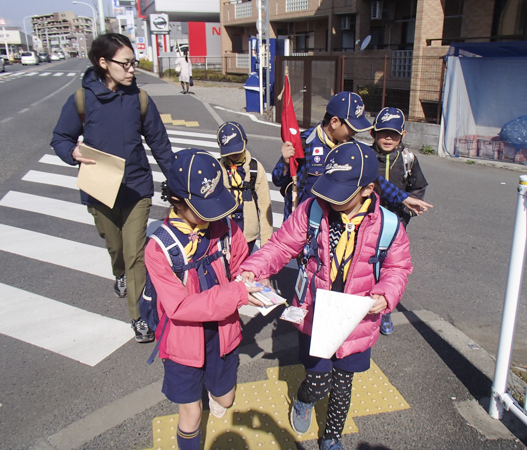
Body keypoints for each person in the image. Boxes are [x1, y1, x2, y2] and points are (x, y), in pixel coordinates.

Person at [240, 141, 412, 450]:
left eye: (340, 195)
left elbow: (398, 267)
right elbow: (281, 245)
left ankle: (332, 436)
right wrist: (255, 267)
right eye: (327, 189)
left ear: (367, 189)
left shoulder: (388, 225)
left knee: (344, 386)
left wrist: (386, 295)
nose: (330, 199)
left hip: (357, 320)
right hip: (316, 314)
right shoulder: (313, 209)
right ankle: (304, 400)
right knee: (318, 380)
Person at [51, 33, 172, 343]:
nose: (132, 69)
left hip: (136, 189)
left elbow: (159, 143)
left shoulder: (140, 99)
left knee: (135, 254)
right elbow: (61, 138)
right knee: (115, 247)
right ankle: (118, 273)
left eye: (134, 63)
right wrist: (73, 152)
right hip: (100, 188)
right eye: (126, 63)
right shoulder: (81, 99)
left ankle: (140, 317)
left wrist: (176, 178)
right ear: (103, 63)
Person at [145, 149, 262, 450]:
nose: (214, 214)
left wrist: (249, 277)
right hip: (182, 340)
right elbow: (180, 307)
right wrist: (237, 293)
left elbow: (239, 263)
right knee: (191, 413)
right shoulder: (160, 249)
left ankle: (212, 391)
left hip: (222, 331)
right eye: (203, 207)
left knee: (226, 398)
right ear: (177, 202)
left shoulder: (224, 227)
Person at [271, 91, 431, 220]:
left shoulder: (351, 148)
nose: (354, 132)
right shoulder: (305, 143)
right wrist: (285, 162)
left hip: (334, 223)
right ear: (334, 122)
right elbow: (278, 180)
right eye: (351, 127)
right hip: (304, 222)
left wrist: (403, 198)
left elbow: (372, 178)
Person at [370, 107, 428, 336]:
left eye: (393, 134)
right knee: (365, 267)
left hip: (394, 225)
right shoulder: (364, 155)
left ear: (402, 134)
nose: (387, 138)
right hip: (366, 222)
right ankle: (364, 309)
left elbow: (418, 187)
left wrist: (405, 216)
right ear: (374, 132)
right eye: (383, 132)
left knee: (390, 268)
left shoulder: (408, 159)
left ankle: (385, 312)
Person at [217, 121, 273, 254]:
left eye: (237, 148)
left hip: (248, 234)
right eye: (229, 151)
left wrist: (266, 244)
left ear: (245, 142)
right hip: (224, 232)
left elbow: (265, 207)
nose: (234, 154)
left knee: (244, 271)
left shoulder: (255, 168)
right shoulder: (218, 168)